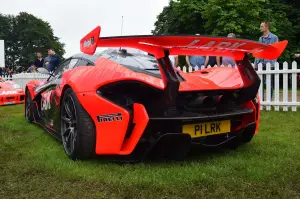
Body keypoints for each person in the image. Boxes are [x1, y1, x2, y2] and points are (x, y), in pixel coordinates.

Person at [254, 21, 279, 101]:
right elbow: (258, 51)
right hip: (261, 64)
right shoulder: (260, 38)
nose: (260, 28)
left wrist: (273, 61)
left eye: (262, 26)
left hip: (270, 63)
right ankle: (262, 100)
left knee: (269, 83)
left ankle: (269, 100)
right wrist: (256, 63)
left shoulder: (274, 37)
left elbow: (276, 51)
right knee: (260, 83)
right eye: (260, 26)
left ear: (267, 27)